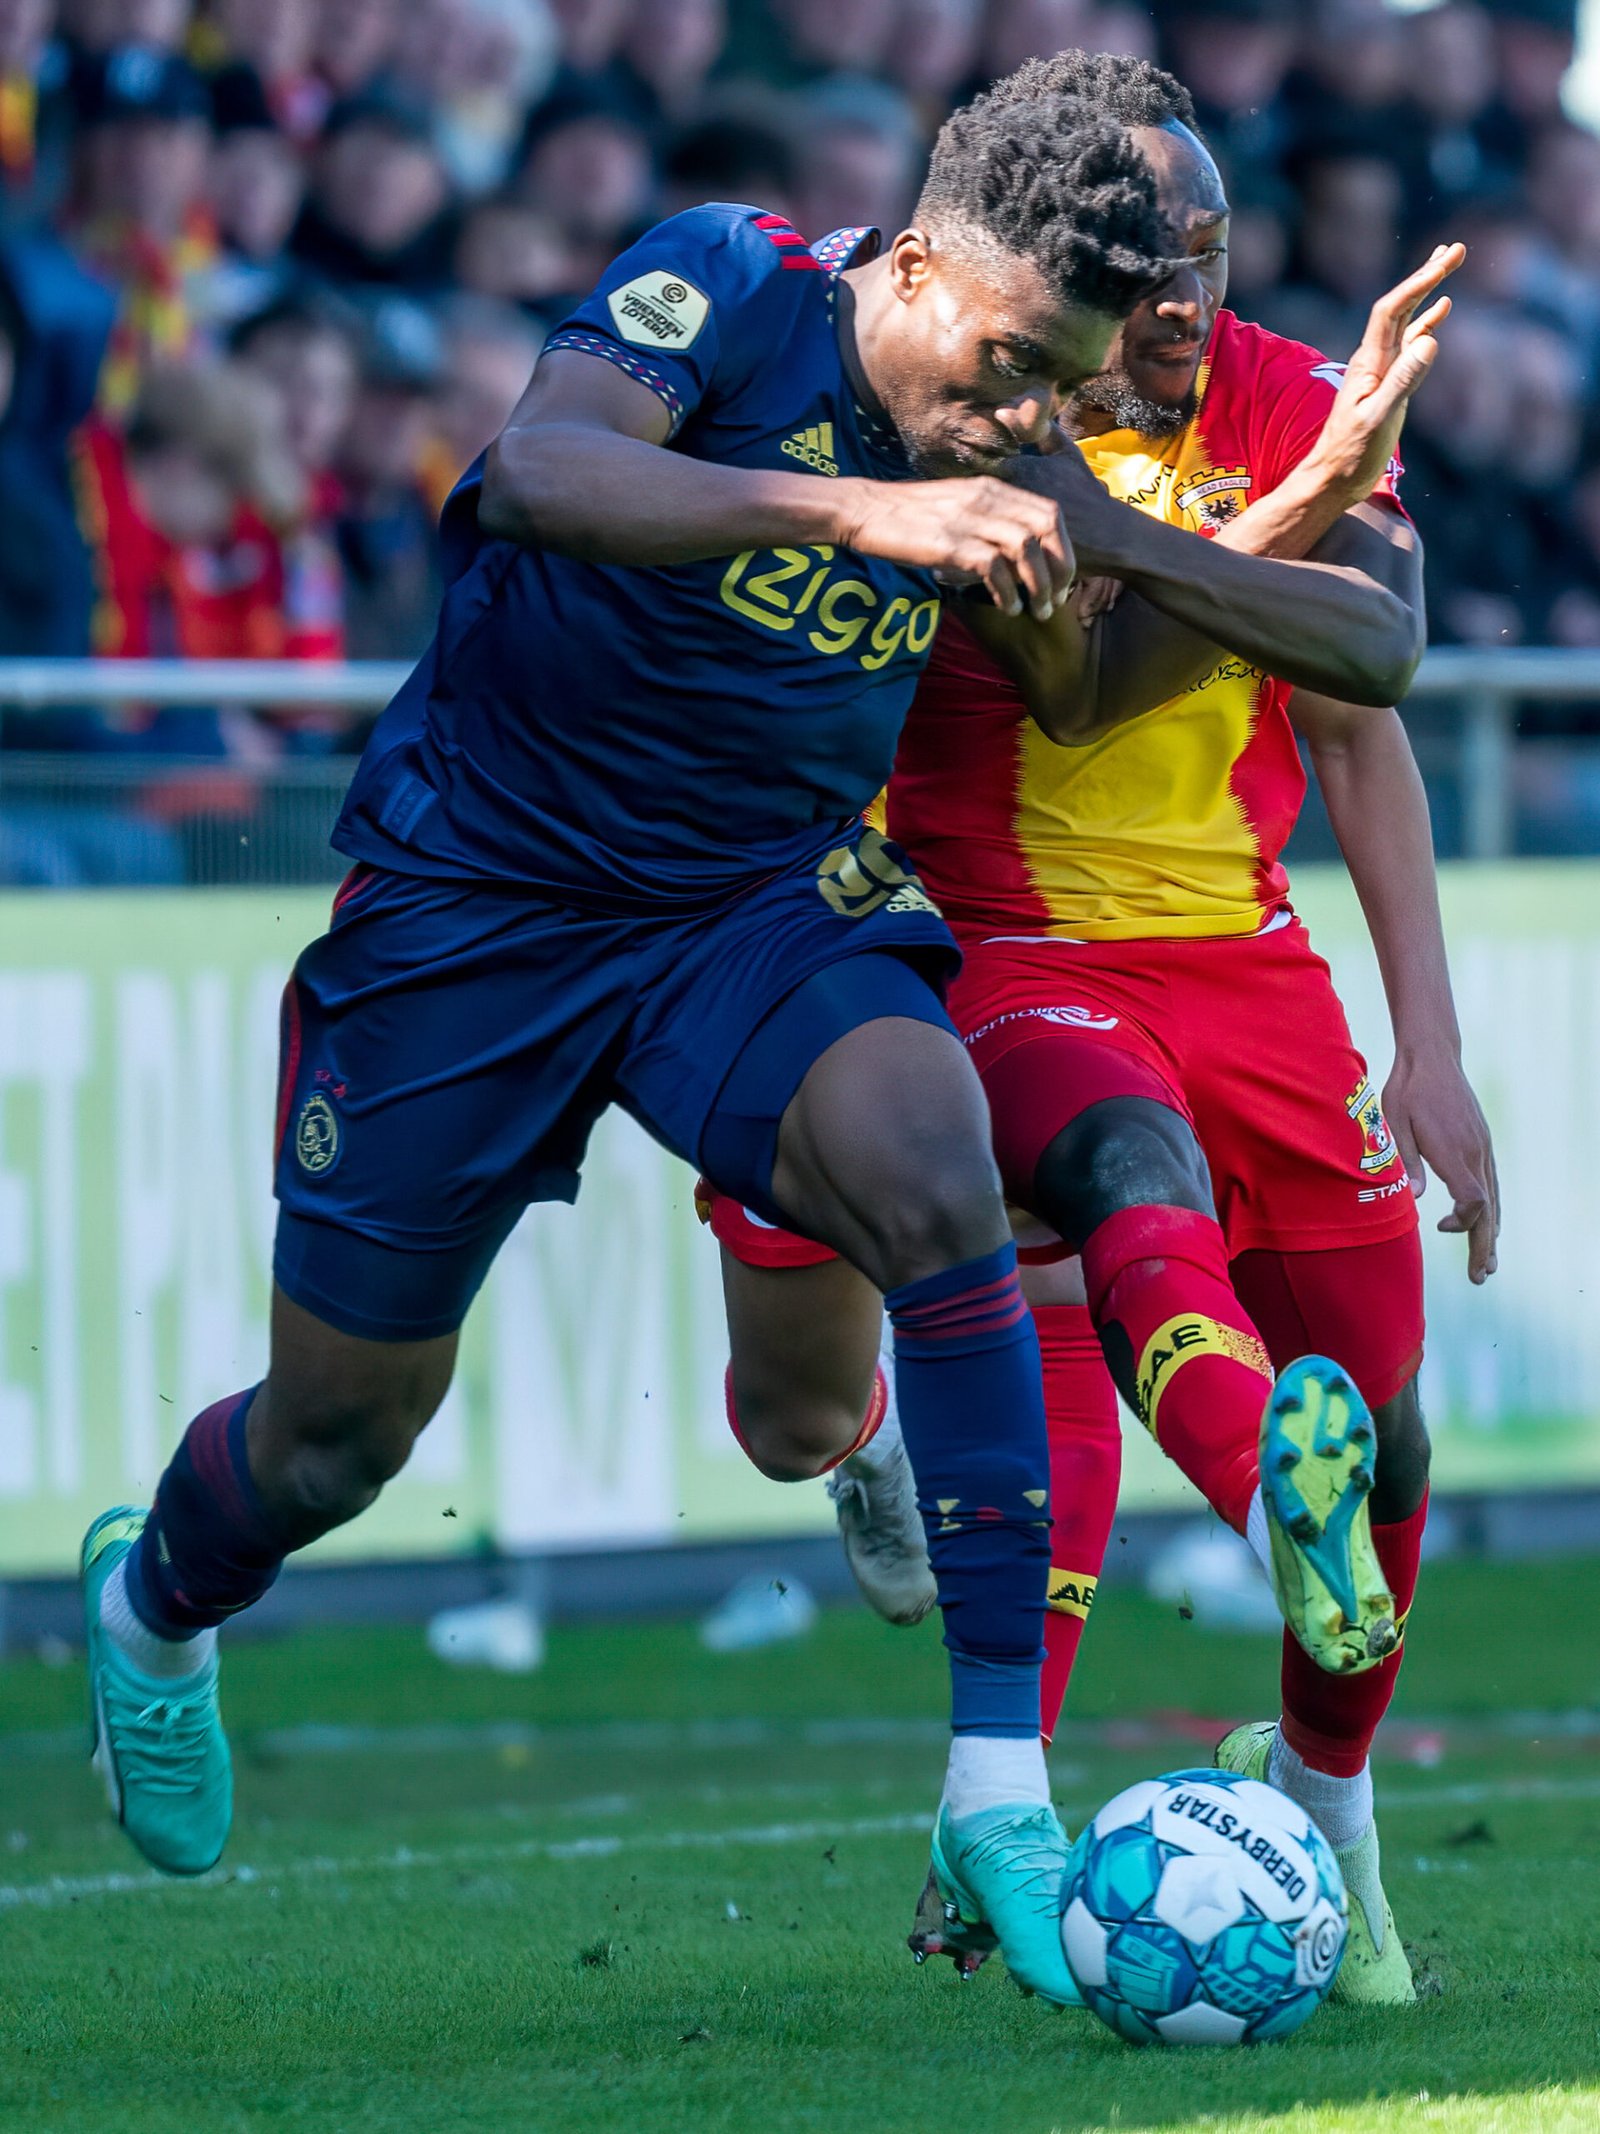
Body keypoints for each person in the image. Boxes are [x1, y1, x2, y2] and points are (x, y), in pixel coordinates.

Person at [78, 71, 1437, 2006]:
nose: (1023, 417)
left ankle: (991, 1787)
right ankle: (153, 1610)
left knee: (935, 1167)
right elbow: (542, 474)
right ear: (911, 266)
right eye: (1002, 365)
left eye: (1057, 381)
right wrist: (871, 505)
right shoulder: (729, 280)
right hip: (479, 902)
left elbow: (1123, 675)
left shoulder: (1020, 449)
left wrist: (1290, 502)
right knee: (336, 1439)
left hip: (756, 902)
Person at [696, 51, 1490, 2007]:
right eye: (1143, 254)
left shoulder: (1293, 392)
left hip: (1250, 956)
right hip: (1000, 937)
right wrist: (1271, 530)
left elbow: (1368, 675)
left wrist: (1432, 1041)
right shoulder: (1001, 392)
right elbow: (1074, 696)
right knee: (1104, 1205)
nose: (1181, 289)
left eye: (1208, 248)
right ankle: (1080, 1690)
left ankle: (1324, 1799)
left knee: (1384, 1427)